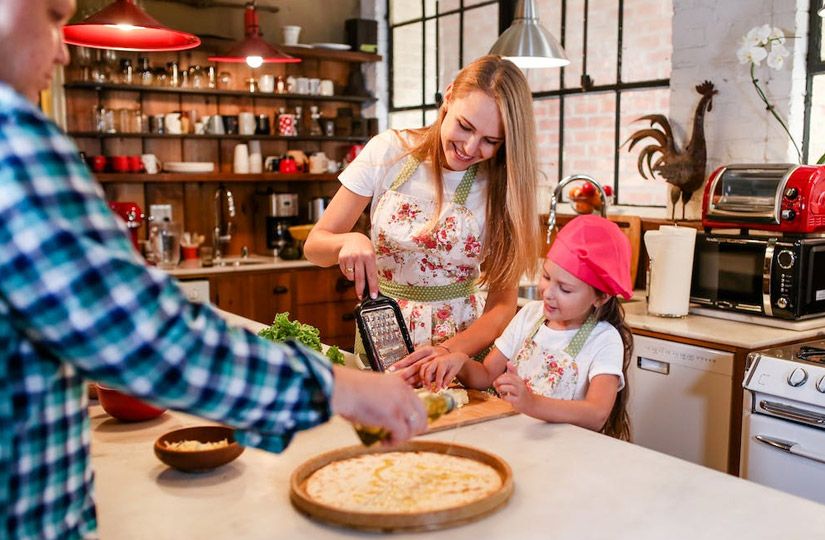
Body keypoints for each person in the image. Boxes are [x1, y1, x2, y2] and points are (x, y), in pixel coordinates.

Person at [0, 1, 426, 537]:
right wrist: (340, 387)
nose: (63, 50)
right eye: (53, 17)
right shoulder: (15, 145)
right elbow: (148, 339)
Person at [304, 55, 539, 371]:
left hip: (460, 351)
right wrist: (348, 241)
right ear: (449, 95)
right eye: (465, 126)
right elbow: (315, 247)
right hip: (382, 337)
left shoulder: (501, 184)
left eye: (490, 141)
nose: (470, 147)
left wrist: (448, 351)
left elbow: (502, 306)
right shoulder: (389, 151)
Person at [416, 215, 633, 439]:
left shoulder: (604, 339)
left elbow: (596, 414)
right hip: (515, 437)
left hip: (566, 449)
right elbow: (486, 375)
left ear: (601, 297)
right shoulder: (531, 315)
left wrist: (530, 402)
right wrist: (459, 361)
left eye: (565, 289)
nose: (548, 293)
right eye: (547, 277)